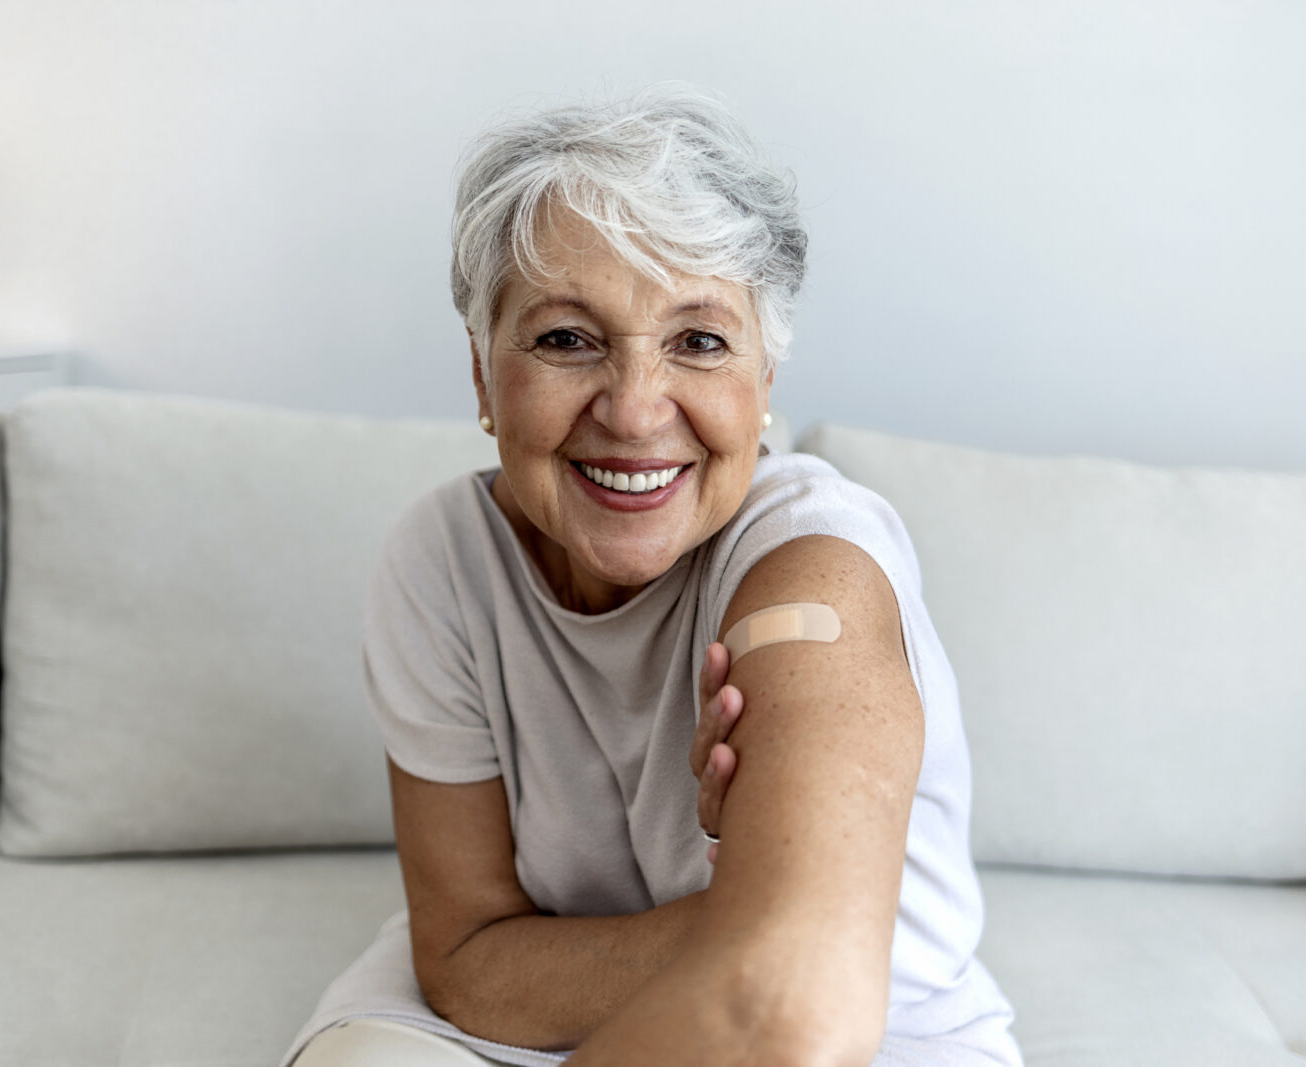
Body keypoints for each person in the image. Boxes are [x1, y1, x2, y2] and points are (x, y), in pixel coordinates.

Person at [282, 84, 1023, 1067]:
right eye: (564, 338)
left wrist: (767, 932)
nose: (633, 411)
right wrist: (747, 913)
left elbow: (790, 1005)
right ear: (481, 375)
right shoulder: (442, 559)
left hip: (870, 1030)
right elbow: (466, 961)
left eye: (698, 342)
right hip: (519, 1017)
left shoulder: (813, 573)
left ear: (763, 383)